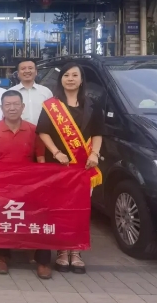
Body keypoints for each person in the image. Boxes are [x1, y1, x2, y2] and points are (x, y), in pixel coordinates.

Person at [36, 62, 104, 275]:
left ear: (81, 80)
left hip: (84, 166)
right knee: (59, 209)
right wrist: (56, 152)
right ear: (61, 80)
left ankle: (76, 250)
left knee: (80, 210)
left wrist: (94, 154)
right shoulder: (51, 105)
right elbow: (43, 131)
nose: (70, 79)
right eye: (66, 75)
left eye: (75, 75)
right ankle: (62, 251)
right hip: (58, 165)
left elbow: (98, 133)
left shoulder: (92, 105)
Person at [0, 90, 49, 279]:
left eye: (16, 104)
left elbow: (41, 159)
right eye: (8, 104)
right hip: (1, 185)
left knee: (41, 216)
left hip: (29, 185)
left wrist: (41, 184)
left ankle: (43, 260)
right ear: (2, 108)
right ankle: (0, 256)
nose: (12, 108)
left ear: (23, 107)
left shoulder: (34, 130)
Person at [10, 59, 53, 125]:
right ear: (18, 73)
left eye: (30, 68)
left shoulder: (46, 92)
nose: (27, 71)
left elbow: (52, 114)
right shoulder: (10, 92)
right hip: (19, 130)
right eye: (23, 68)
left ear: (36, 72)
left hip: (42, 130)